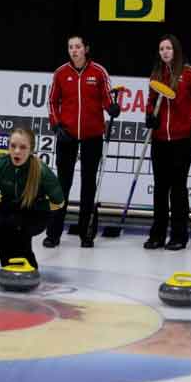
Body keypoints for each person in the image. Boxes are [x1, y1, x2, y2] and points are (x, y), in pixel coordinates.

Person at [43, 33, 120, 248]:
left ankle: (87, 232)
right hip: (66, 135)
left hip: (92, 136)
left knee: (88, 184)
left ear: (86, 49)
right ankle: (53, 233)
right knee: (62, 185)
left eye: (78, 46)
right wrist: (56, 125)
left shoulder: (98, 72)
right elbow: (51, 102)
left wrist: (112, 107)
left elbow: (106, 97)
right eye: (71, 47)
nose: (74, 50)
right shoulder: (61, 73)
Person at [143, 34, 191, 251]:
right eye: (161, 49)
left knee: (178, 188)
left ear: (176, 50)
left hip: (181, 140)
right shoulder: (156, 75)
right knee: (160, 189)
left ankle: (179, 236)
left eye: (168, 48)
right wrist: (150, 116)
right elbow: (150, 102)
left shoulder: (189, 73)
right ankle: (157, 234)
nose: (165, 52)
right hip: (159, 140)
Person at [0, 128, 64, 269]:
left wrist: (38, 206)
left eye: (23, 147)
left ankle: (29, 264)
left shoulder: (42, 172)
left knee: (16, 225)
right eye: (13, 146)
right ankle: (8, 265)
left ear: (31, 150)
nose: (16, 151)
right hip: (9, 207)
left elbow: (59, 202)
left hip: (36, 212)